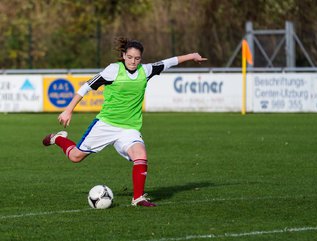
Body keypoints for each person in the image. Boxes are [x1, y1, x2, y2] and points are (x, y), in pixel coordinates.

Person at [42, 37, 207, 207]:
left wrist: (192, 55)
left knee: (141, 155)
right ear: (123, 55)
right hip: (106, 124)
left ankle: (138, 198)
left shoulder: (146, 70)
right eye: (129, 57)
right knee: (75, 157)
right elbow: (86, 86)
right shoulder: (113, 70)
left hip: (129, 128)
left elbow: (169, 62)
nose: (133, 61)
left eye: (137, 58)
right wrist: (68, 110)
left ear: (141, 58)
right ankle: (58, 138)